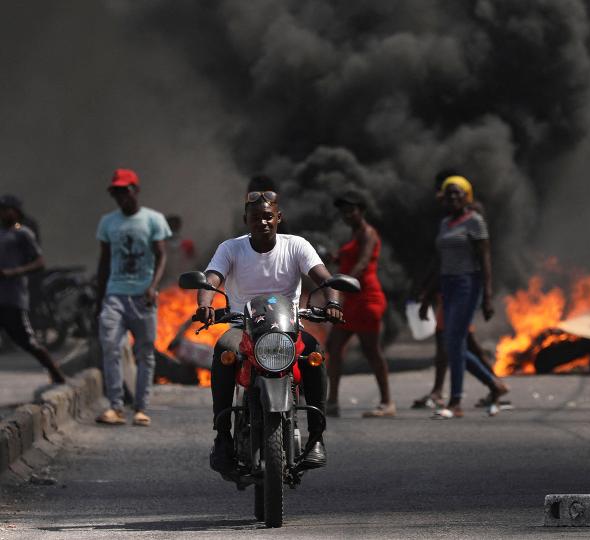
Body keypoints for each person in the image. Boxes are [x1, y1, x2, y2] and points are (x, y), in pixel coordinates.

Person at [199, 189, 343, 474]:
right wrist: (204, 304)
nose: (262, 222)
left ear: (279, 217)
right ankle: (223, 436)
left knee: (315, 354)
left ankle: (316, 438)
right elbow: (211, 278)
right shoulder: (231, 248)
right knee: (223, 351)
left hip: (288, 329)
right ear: (246, 220)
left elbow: (325, 278)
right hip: (242, 328)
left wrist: (333, 304)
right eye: (256, 218)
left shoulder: (297, 246)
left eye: (268, 217)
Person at [419, 175, 508, 418]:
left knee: (454, 342)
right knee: (452, 344)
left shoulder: (475, 222)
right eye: (449, 193)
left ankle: (455, 402)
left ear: (467, 196)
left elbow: (485, 260)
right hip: (447, 285)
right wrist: (427, 296)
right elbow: (441, 262)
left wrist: (488, 296)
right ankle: (493, 384)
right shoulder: (446, 224)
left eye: (458, 193)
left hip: (468, 283)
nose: (453, 197)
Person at [94, 169, 171, 426]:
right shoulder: (108, 222)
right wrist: (99, 297)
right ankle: (115, 407)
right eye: (116, 192)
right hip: (115, 294)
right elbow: (104, 261)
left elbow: (161, 256)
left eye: (124, 191)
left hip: (143, 296)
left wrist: (153, 286)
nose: (120, 196)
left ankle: (141, 408)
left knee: (145, 354)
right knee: (111, 347)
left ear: (135, 190)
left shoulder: (153, 220)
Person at [325, 190, 394, 418]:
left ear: (361, 211)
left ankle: (387, 402)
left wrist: (345, 281)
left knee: (371, 351)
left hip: (366, 298)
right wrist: (334, 258)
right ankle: (332, 402)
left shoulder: (368, 233)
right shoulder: (354, 235)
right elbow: (349, 259)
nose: (346, 215)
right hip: (351, 299)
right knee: (334, 347)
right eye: (343, 211)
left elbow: (363, 262)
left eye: (350, 210)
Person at [0, 194, 65, 384]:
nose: (3, 213)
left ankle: (55, 372)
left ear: (16, 211)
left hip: (13, 298)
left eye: (6, 209)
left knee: (27, 341)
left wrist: (13, 272)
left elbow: (39, 262)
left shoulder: (23, 233)